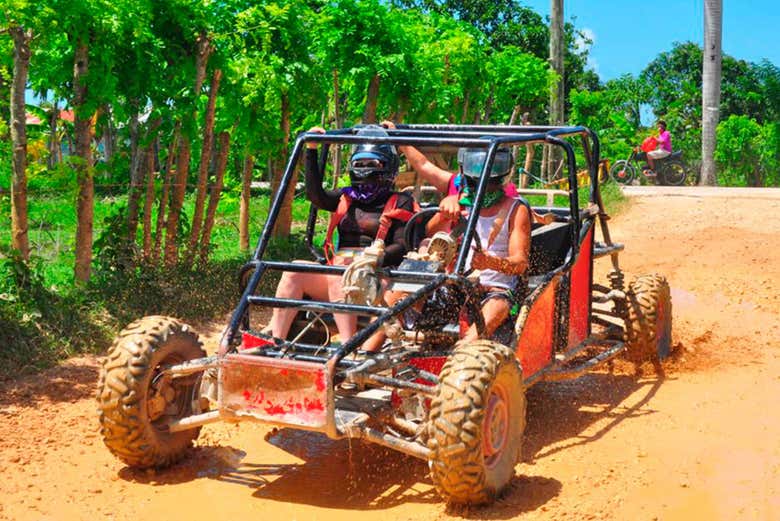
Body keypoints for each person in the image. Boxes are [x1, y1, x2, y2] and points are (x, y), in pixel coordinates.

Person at [267, 125, 417, 341]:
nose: (365, 169)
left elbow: (403, 245)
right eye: (360, 164)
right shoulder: (347, 197)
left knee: (342, 275)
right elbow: (315, 195)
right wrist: (311, 149)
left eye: (372, 164)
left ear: (387, 167)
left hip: (378, 278)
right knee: (293, 271)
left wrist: (375, 257)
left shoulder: (401, 201)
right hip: (340, 272)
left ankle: (347, 348)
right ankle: (276, 342)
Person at [424, 146, 532, 342]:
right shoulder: (460, 202)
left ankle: (463, 353)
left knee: (497, 305)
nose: (485, 187)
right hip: (455, 284)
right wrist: (444, 213)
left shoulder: (516, 209)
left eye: (491, 182)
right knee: (400, 296)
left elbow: (520, 262)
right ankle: (363, 356)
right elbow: (428, 233)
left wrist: (490, 262)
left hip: (496, 290)